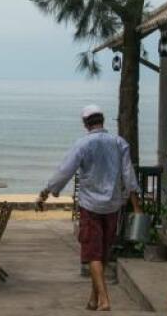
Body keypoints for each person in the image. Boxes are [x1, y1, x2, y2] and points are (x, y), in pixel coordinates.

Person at [35, 104, 142, 312]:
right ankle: (93, 299)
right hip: (113, 206)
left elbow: (64, 171)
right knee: (102, 254)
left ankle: (104, 299)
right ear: (102, 120)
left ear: (86, 124)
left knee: (93, 254)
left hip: (90, 206)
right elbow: (129, 176)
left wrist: (46, 193)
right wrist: (137, 208)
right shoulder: (119, 143)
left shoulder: (82, 144)